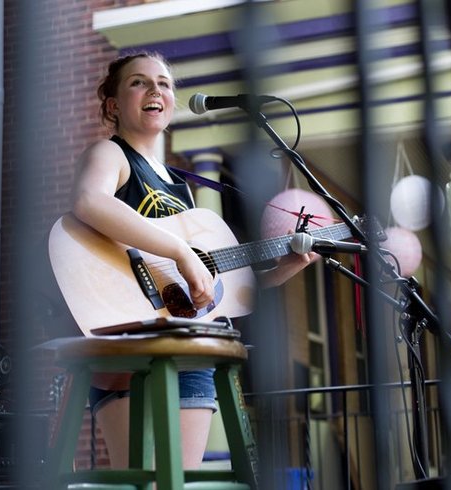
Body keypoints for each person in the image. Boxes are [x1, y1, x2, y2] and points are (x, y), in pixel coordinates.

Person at [71, 52, 314, 469]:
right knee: (142, 478)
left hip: (189, 349)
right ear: (113, 105)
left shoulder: (181, 187)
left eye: (164, 83)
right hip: (127, 344)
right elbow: (89, 201)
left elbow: (211, 288)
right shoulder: (111, 155)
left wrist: (275, 274)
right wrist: (180, 250)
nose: (155, 90)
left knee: (179, 478)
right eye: (139, 82)